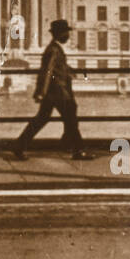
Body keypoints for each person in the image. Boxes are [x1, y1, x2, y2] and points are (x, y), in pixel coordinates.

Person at [11, 19, 93, 160]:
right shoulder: (54, 50)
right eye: (66, 32)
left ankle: (19, 145)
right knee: (70, 118)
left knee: (43, 119)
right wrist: (41, 93)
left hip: (54, 92)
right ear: (60, 33)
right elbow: (47, 71)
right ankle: (77, 149)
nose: (68, 35)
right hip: (58, 92)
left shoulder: (54, 48)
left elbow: (57, 68)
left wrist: (71, 70)